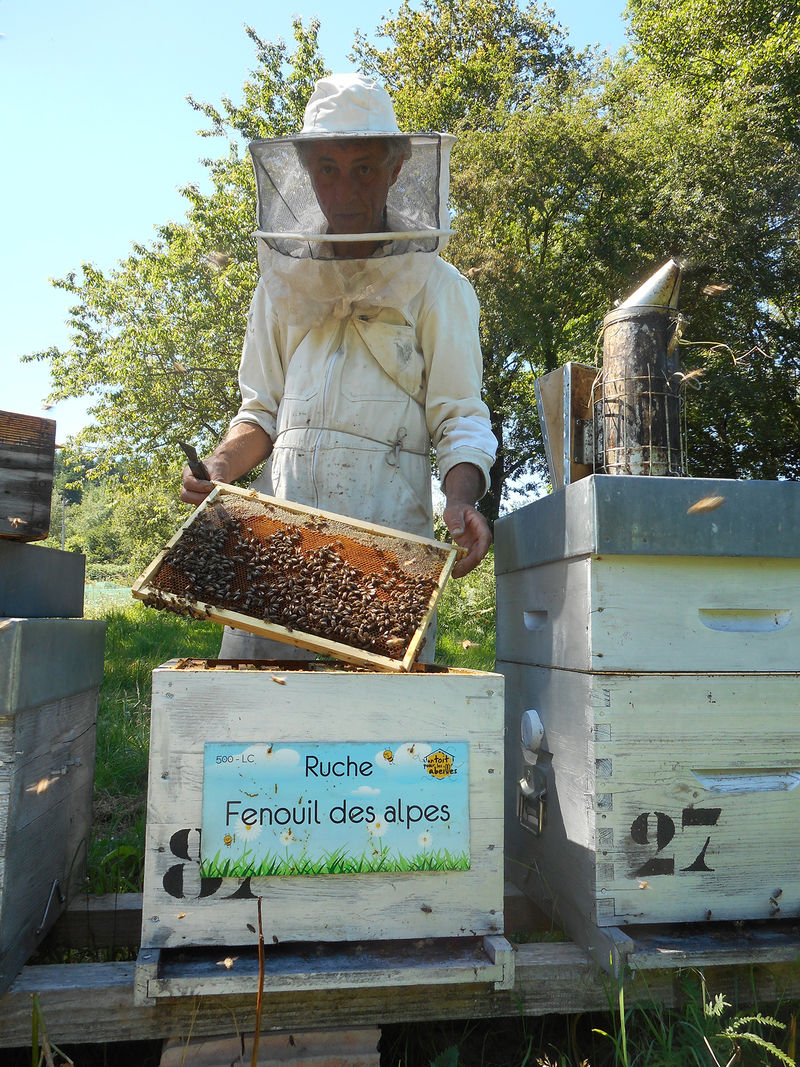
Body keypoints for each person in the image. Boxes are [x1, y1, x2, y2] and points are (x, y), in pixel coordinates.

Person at [181, 73, 497, 660]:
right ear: (305, 171)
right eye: (327, 168)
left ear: (397, 168)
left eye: (363, 168)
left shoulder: (439, 287)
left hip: (386, 541)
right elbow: (260, 411)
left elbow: (460, 419)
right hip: (278, 533)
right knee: (261, 731)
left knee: (375, 742)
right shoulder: (279, 285)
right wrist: (219, 468)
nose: (345, 190)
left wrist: (460, 501)